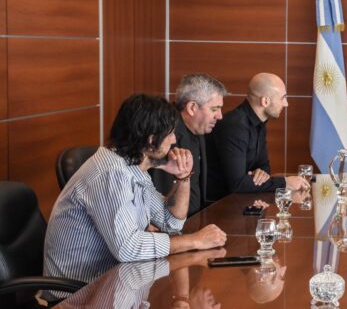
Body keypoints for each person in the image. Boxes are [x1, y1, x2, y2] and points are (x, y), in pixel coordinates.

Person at [44, 94, 227, 289]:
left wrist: (183, 177)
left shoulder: (133, 167)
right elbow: (128, 248)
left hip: (115, 283)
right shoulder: (111, 174)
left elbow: (171, 223)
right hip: (79, 293)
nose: (174, 140)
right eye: (170, 134)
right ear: (151, 140)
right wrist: (195, 241)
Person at [207, 73, 309, 201]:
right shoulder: (235, 125)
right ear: (265, 101)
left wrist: (259, 173)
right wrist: (284, 182)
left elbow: (264, 167)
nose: (286, 104)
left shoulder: (259, 123)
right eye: (282, 98)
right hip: (218, 205)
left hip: (241, 200)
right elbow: (237, 184)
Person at [151, 73, 226, 216]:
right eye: (214, 109)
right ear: (192, 107)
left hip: (197, 219)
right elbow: (162, 202)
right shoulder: (166, 137)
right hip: (174, 224)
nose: (220, 116)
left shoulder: (198, 128)